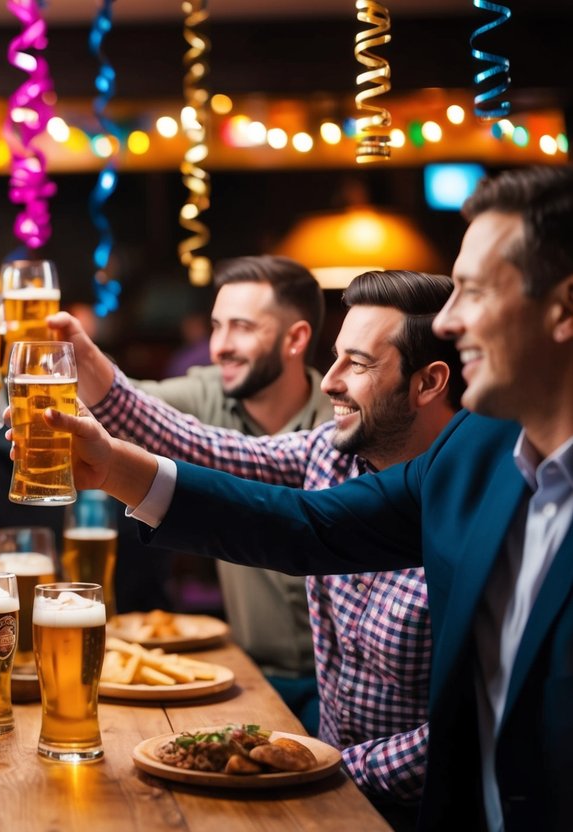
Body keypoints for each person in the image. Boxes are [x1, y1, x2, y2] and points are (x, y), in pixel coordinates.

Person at [50, 166, 573, 830]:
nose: (449, 318)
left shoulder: (473, 449)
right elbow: (303, 526)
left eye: (470, 291)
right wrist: (114, 467)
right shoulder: (472, 455)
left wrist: (314, 766)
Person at [50, 269, 460, 824]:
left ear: (429, 382)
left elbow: (479, 724)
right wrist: (93, 379)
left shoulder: (476, 501)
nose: (328, 382)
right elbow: (209, 451)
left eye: (357, 364)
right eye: (334, 357)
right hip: (324, 786)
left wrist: (333, 771)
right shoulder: (333, 454)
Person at [137, 255, 332, 726]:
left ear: (296, 339)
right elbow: (122, 403)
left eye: (241, 327)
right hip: (250, 676)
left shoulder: (346, 419)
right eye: (216, 327)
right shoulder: (209, 396)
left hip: (344, 685)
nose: (219, 347)